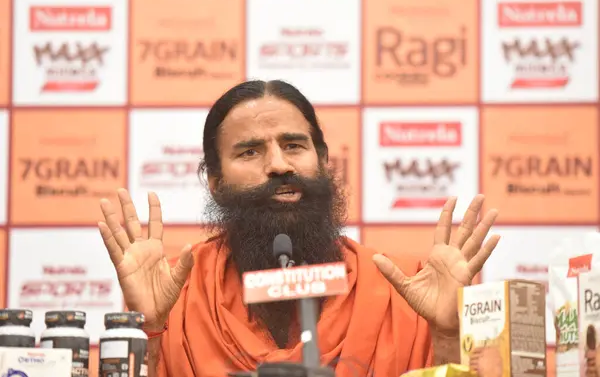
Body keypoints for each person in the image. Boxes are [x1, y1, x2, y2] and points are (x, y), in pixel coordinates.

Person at [97, 80, 501, 377]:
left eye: (293, 145)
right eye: (250, 151)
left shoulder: (402, 291)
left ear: (322, 163)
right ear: (216, 183)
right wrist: (146, 330)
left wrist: (447, 335)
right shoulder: (177, 297)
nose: (279, 164)